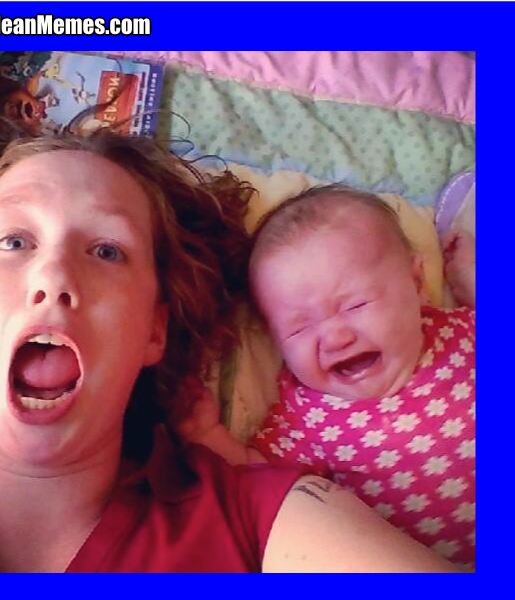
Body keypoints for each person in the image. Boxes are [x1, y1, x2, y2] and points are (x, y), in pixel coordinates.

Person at [0, 133, 459, 573]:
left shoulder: (256, 518)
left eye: (107, 251)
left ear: (155, 330)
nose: (53, 275)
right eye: (14, 241)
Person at [179, 185, 475, 568]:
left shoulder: (463, 331)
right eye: (300, 328)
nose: (336, 337)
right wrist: (208, 435)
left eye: (356, 304)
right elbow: (259, 476)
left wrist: (470, 277)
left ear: (416, 284)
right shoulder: (307, 417)